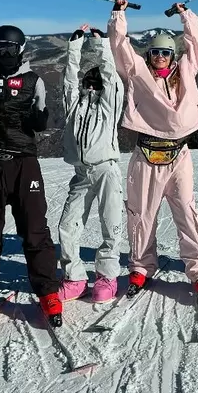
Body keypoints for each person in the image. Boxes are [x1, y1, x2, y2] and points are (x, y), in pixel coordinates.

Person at [108, 0, 198, 303]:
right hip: (146, 152)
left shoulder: (185, 73)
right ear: (149, 54)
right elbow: (119, 46)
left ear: (172, 55)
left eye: (165, 52)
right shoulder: (138, 73)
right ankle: (141, 266)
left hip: (179, 153)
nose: (159, 57)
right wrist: (118, 14)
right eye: (155, 52)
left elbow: (197, 45)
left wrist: (186, 15)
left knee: (187, 210)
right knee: (141, 213)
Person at [0, 25, 62, 327]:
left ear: (21, 49)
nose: (5, 53)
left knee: (35, 228)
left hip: (24, 162)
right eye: (0, 47)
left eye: (11, 48)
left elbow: (41, 115)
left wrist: (38, 118)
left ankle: (47, 290)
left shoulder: (33, 80)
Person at [57, 24, 126, 303]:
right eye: (88, 83)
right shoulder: (74, 106)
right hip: (81, 173)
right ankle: (74, 277)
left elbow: (112, 78)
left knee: (111, 223)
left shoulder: (109, 106)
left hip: (106, 169)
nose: (91, 87)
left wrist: (102, 45)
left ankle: (107, 276)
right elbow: (68, 81)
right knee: (67, 225)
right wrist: (74, 47)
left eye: (96, 84)